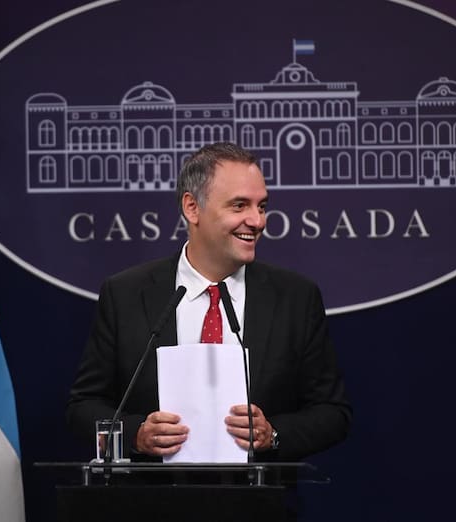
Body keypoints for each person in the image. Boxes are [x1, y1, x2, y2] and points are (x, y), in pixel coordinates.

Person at [66, 142, 351, 462]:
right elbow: (83, 407)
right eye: (239, 205)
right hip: (151, 492)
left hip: (258, 492)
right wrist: (136, 434)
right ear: (192, 208)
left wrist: (272, 434)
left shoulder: (295, 298)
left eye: (261, 206)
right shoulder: (126, 294)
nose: (257, 221)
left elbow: (333, 413)